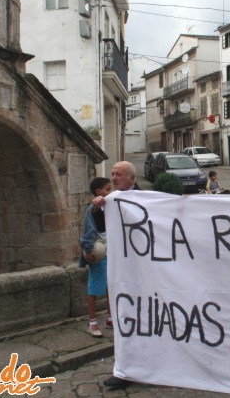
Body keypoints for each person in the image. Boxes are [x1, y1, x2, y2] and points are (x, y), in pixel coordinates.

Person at [90, 161, 140, 391]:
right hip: (121, 269)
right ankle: (125, 370)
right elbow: (102, 226)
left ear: (131, 177)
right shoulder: (110, 199)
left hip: (142, 270)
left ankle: (140, 365)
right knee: (124, 318)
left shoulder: (145, 198)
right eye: (112, 174)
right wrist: (97, 209)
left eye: (118, 174)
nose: (114, 178)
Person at [79, 177, 113, 338]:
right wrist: (88, 250)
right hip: (99, 254)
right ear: (99, 192)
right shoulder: (92, 209)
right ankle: (92, 323)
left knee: (110, 287)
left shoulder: (109, 207)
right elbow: (88, 231)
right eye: (108, 189)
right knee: (94, 288)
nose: (110, 192)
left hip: (110, 252)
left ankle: (110, 318)